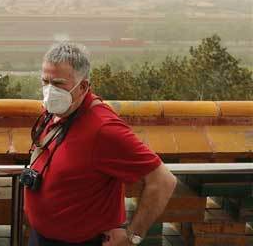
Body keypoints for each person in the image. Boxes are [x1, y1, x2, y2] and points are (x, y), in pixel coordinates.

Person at [23, 42, 177, 246]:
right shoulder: (59, 112)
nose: (50, 91)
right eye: (45, 82)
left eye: (58, 84)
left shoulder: (103, 128)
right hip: (42, 236)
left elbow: (163, 181)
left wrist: (132, 237)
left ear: (83, 86)